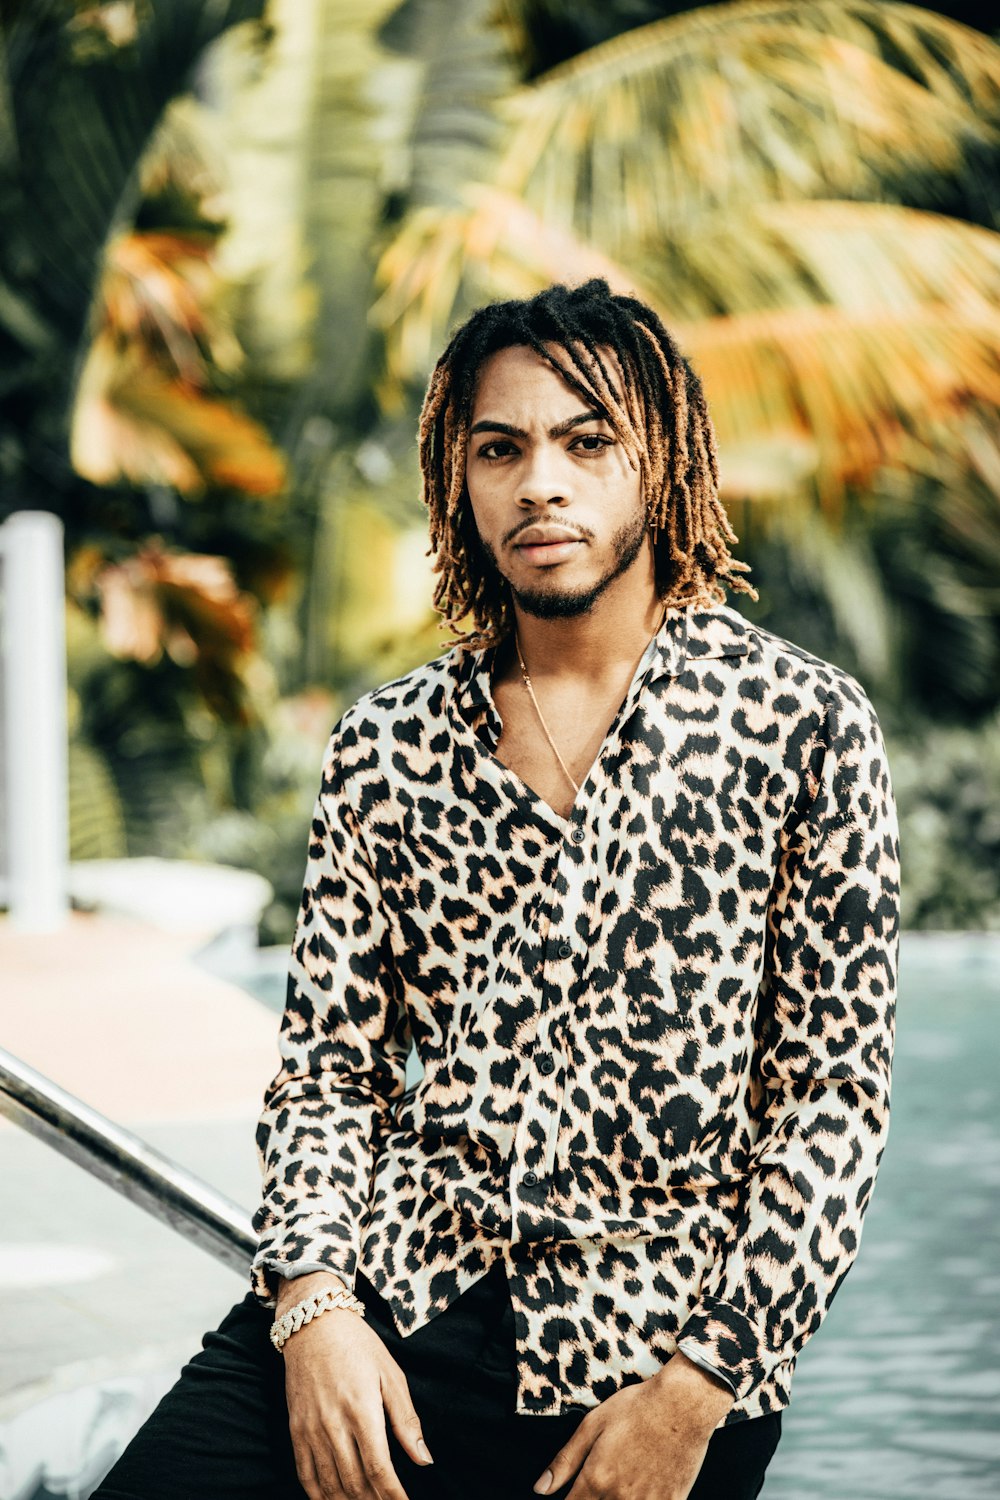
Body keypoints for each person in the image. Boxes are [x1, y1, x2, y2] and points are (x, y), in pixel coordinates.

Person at [94, 278, 900, 1500]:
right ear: (455, 480)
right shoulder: (389, 740)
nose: (541, 483)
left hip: (650, 1361)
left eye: (586, 443)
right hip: (394, 1306)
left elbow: (832, 1101)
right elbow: (329, 1067)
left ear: (659, 466)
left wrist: (698, 1393)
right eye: (500, 447)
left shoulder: (803, 728)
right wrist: (315, 1309)